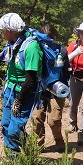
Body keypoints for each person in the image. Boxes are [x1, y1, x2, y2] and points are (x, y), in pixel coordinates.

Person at [0, 13, 43, 155]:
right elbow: (8, 54)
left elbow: (31, 79)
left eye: (2, 31)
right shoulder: (15, 42)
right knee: (5, 124)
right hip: (10, 89)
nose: (2, 34)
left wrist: (19, 100)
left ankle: (17, 160)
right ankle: (24, 153)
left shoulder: (31, 47)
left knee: (13, 130)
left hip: (25, 92)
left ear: (9, 31)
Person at [29, 23, 67, 151]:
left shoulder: (61, 51)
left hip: (56, 89)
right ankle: (38, 145)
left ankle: (59, 140)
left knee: (54, 120)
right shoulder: (36, 49)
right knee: (36, 118)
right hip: (39, 90)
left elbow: (66, 72)